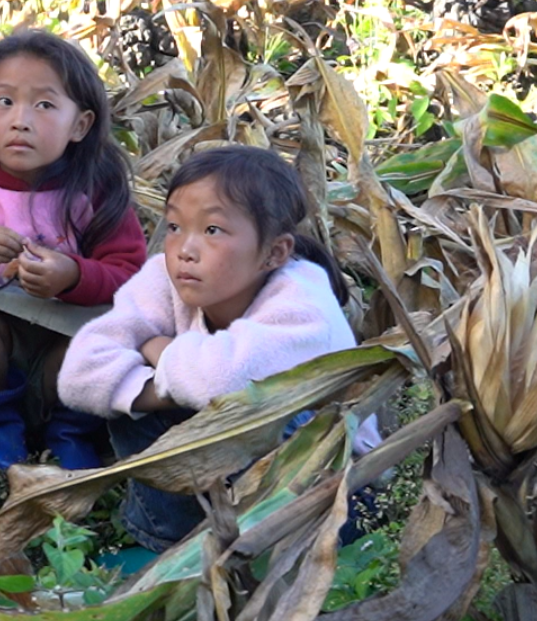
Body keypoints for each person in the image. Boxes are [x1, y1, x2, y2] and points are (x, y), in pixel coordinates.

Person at [57, 145, 380, 550]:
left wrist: (156, 349)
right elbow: (79, 376)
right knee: (135, 407)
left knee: (247, 410)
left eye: (212, 230)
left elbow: (222, 381)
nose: (184, 250)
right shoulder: (165, 277)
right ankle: (169, 542)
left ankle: (249, 553)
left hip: (337, 493)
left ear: (274, 252)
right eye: (174, 226)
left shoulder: (302, 301)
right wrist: (166, 385)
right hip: (232, 473)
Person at [0, 30, 147, 471]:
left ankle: (70, 428)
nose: (21, 120)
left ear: (81, 125)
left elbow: (133, 279)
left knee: (122, 329)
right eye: (5, 102)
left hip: (66, 360)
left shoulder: (97, 193)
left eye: (45, 105)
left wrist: (74, 276)